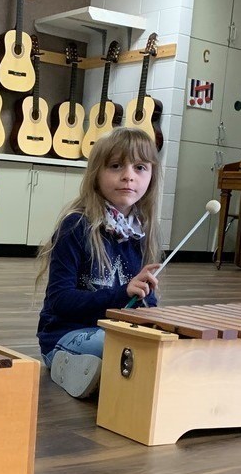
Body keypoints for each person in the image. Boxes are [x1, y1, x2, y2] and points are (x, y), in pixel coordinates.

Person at [37, 127, 163, 398]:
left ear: (152, 177)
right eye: (116, 166)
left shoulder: (142, 232)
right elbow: (60, 301)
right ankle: (59, 361)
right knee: (116, 345)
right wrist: (122, 293)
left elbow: (142, 304)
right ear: (96, 174)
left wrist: (151, 312)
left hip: (113, 333)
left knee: (157, 344)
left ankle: (99, 372)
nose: (128, 175)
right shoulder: (76, 226)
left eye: (140, 167)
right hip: (67, 333)